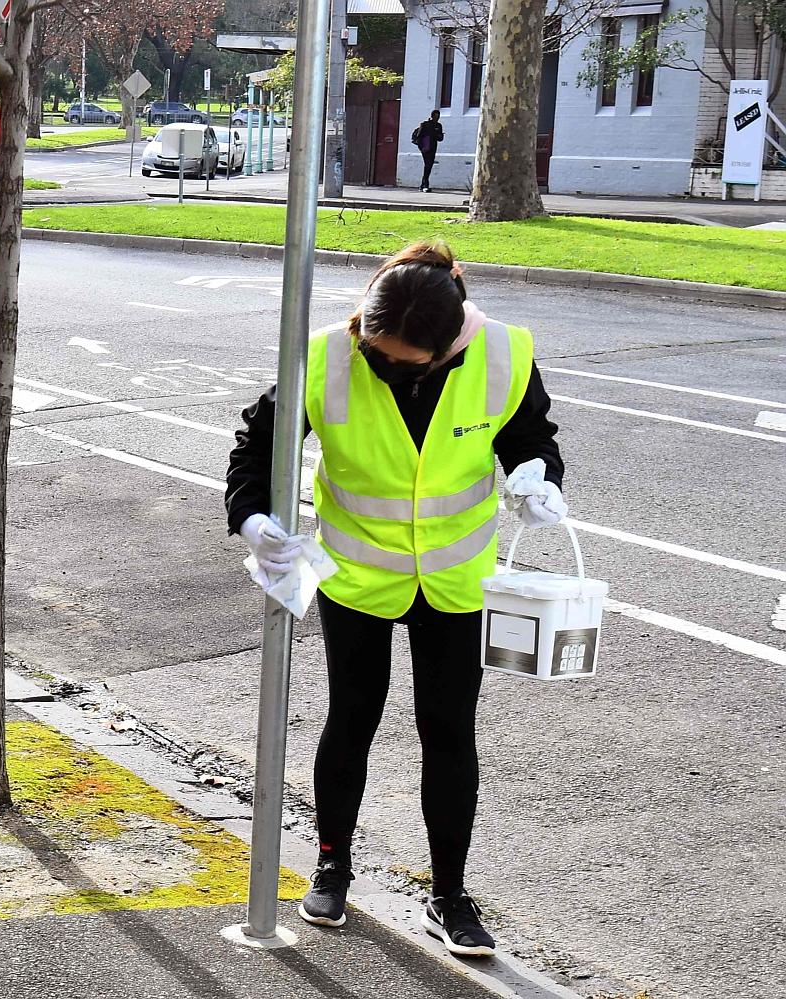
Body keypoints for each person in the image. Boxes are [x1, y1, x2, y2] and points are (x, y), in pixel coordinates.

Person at [224, 240, 566, 958]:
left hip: (456, 580)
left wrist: (539, 477)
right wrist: (254, 519)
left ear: (447, 348)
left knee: (449, 730)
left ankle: (448, 895)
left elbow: (531, 435)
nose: (386, 367)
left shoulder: (503, 352)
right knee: (352, 717)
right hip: (357, 577)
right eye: (377, 353)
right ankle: (331, 865)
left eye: (405, 362)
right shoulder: (326, 355)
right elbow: (256, 446)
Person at [411, 110, 445, 192]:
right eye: (436, 116)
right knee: (428, 165)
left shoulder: (439, 125)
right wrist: (421, 146)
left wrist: (437, 135)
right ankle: (425, 184)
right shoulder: (425, 124)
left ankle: (423, 185)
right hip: (425, 147)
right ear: (432, 116)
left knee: (429, 166)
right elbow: (419, 136)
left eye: (438, 117)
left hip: (433, 148)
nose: (437, 118)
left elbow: (440, 138)